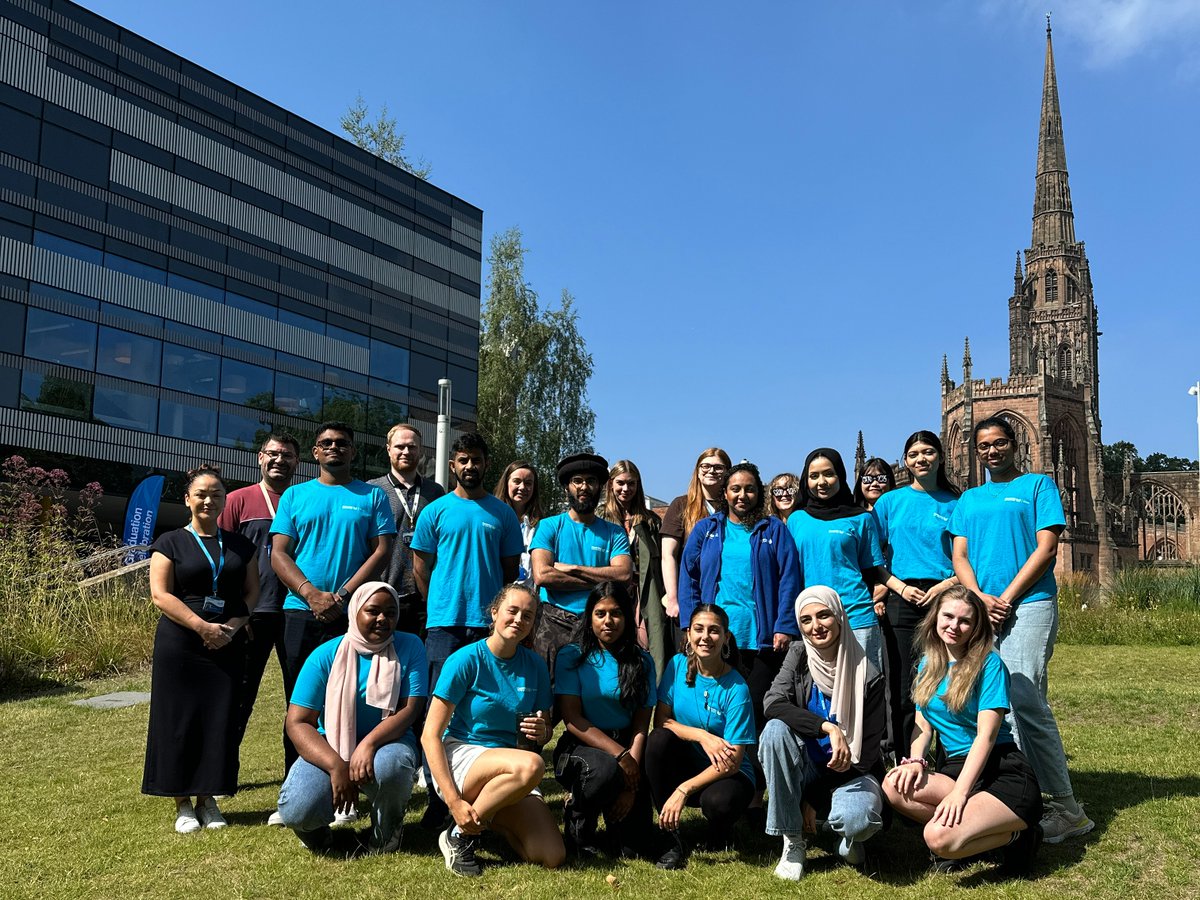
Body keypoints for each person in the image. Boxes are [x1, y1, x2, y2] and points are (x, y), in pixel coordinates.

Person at [948, 416, 1093, 843]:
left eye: (999, 443)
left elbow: (1047, 548)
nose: (991, 451)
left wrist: (1006, 598)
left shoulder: (1037, 486)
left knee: (1025, 696)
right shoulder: (969, 499)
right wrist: (978, 598)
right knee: (993, 704)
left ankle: (1068, 809)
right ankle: (1019, 797)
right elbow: (960, 555)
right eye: (983, 446)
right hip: (982, 609)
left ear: (1015, 445)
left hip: (1028, 604)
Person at [883, 587, 1043, 875]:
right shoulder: (926, 665)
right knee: (894, 785)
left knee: (937, 839)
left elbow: (987, 736)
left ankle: (1019, 836)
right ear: (935, 618)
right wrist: (916, 761)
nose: (954, 626)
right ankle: (971, 835)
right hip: (955, 768)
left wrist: (959, 793)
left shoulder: (989, 663)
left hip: (1000, 770)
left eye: (965, 621)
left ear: (976, 626)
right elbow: (922, 722)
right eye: (948, 616)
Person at [411, 431, 523, 827]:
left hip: (488, 629)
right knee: (437, 713)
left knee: (482, 709)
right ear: (453, 465)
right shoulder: (435, 511)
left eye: (476, 459)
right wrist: (439, 602)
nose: (470, 466)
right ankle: (438, 798)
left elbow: (510, 574)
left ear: (485, 463)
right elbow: (421, 568)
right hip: (444, 626)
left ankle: (484, 791)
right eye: (463, 460)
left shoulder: (503, 514)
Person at [270, 422, 396, 774]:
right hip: (299, 612)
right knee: (299, 701)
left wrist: (342, 596)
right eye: (326, 443)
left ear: (353, 451)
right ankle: (296, 782)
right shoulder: (295, 496)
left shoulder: (372, 497)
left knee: (349, 698)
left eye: (342, 443)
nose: (334, 448)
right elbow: (279, 554)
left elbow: (382, 551)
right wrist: (310, 593)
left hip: (352, 614)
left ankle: (349, 777)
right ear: (315, 452)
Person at [143, 464, 258, 833]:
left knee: (218, 718)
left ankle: (208, 800)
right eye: (202, 494)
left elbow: (252, 593)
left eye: (217, 494)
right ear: (188, 499)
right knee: (178, 719)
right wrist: (201, 627)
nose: (210, 500)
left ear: (226, 500)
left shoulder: (241, 545)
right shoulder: (170, 542)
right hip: (181, 642)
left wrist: (234, 627)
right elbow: (160, 595)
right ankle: (182, 803)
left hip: (227, 640)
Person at [421, 583, 563, 877]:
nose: (519, 620)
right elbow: (429, 735)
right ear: (495, 613)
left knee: (551, 856)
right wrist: (453, 801)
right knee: (533, 764)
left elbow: (546, 729)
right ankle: (459, 834)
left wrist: (543, 732)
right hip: (465, 756)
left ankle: (486, 818)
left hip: (511, 765)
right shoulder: (465, 660)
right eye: (512, 611)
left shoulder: (535, 664)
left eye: (528, 615)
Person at [277, 582, 427, 855]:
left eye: (390, 612)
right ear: (355, 611)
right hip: (331, 745)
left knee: (391, 768)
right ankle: (319, 837)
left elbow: (410, 708)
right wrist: (336, 766)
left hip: (387, 742)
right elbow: (297, 722)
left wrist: (368, 745)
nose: (383, 619)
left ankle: (385, 832)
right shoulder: (326, 655)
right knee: (298, 809)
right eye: (373, 611)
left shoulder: (410, 646)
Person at [761, 586, 886, 880]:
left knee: (860, 821)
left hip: (852, 771)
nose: (815, 626)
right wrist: (826, 727)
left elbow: (866, 756)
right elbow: (772, 702)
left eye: (823, 615)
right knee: (774, 731)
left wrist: (814, 799)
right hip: (806, 767)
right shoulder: (798, 654)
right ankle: (792, 840)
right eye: (806, 620)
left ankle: (842, 835)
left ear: (839, 617)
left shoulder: (869, 674)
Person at [677, 462, 801, 756]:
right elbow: (688, 576)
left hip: (761, 637)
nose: (742, 495)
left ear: (760, 493)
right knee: (720, 707)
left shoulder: (774, 530)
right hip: (718, 637)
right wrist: (690, 624)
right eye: (735, 489)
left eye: (749, 489)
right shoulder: (707, 530)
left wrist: (784, 625)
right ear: (726, 493)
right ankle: (718, 770)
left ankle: (754, 783)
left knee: (755, 708)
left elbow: (789, 578)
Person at [218, 432, 298, 826]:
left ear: (298, 462)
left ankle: (297, 778)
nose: (279, 460)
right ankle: (220, 777)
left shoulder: (303, 499)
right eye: (272, 454)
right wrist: (235, 615)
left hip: (297, 612)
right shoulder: (238, 500)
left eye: (286, 455)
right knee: (237, 697)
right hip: (252, 615)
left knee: (299, 702)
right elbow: (221, 558)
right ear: (259, 459)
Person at [645, 604, 756, 870]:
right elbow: (661, 722)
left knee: (719, 803)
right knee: (658, 740)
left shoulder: (737, 688)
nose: (705, 637)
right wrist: (702, 736)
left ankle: (721, 831)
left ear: (726, 637)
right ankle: (669, 837)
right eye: (699, 629)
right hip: (689, 760)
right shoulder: (676, 666)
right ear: (688, 634)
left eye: (714, 631)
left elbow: (733, 761)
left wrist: (685, 789)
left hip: (728, 773)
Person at [872, 430, 960, 761]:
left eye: (927, 452)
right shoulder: (889, 503)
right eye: (913, 454)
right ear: (906, 460)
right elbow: (872, 558)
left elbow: (966, 558)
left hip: (945, 597)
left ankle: (951, 759)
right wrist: (899, 587)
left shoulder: (957, 503)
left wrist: (940, 588)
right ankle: (902, 758)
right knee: (902, 685)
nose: (920, 459)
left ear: (940, 457)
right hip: (901, 596)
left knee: (949, 681)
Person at [554, 582, 658, 859]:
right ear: (590, 617)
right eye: (600, 614)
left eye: (616, 613)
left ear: (626, 617)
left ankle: (618, 823)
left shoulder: (643, 662)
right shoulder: (572, 656)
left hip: (627, 744)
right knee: (604, 769)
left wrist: (631, 780)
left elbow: (640, 725)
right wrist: (620, 757)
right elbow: (572, 719)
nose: (608, 621)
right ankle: (578, 821)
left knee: (632, 849)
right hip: (580, 747)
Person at [787, 448, 897, 671]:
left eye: (829, 474)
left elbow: (873, 570)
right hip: (813, 619)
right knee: (820, 696)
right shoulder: (796, 519)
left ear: (841, 475)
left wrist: (899, 590)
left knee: (866, 690)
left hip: (855, 614)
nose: (821, 482)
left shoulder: (861, 518)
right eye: (814, 475)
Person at [530, 453, 632, 681]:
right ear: (567, 487)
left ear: (600, 487)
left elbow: (624, 574)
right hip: (554, 622)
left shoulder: (614, 532)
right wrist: (603, 581)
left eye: (591, 481)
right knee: (547, 696)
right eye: (578, 481)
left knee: (596, 695)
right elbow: (543, 575)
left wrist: (573, 568)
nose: (584, 487)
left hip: (598, 624)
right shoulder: (549, 526)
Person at [367, 423, 445, 635]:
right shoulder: (372, 490)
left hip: (423, 596)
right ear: (388, 449)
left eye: (412, 447)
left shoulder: (436, 493)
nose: (406, 452)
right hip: (382, 591)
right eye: (400, 446)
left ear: (420, 451)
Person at [598, 459, 670, 678]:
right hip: (611, 590)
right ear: (611, 484)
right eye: (620, 483)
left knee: (647, 642)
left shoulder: (650, 521)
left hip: (644, 590)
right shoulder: (600, 517)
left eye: (631, 483)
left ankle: (649, 695)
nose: (626, 489)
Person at [660, 448, 732, 624]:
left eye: (718, 467)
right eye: (705, 466)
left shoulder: (734, 508)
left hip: (724, 595)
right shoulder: (681, 505)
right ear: (698, 472)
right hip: (689, 596)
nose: (711, 471)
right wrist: (673, 598)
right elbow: (668, 555)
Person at [493, 459, 543, 589]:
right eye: (517, 481)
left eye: (528, 483)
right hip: (498, 592)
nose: (522, 487)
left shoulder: (541, 525)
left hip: (528, 596)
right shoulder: (493, 520)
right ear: (506, 483)